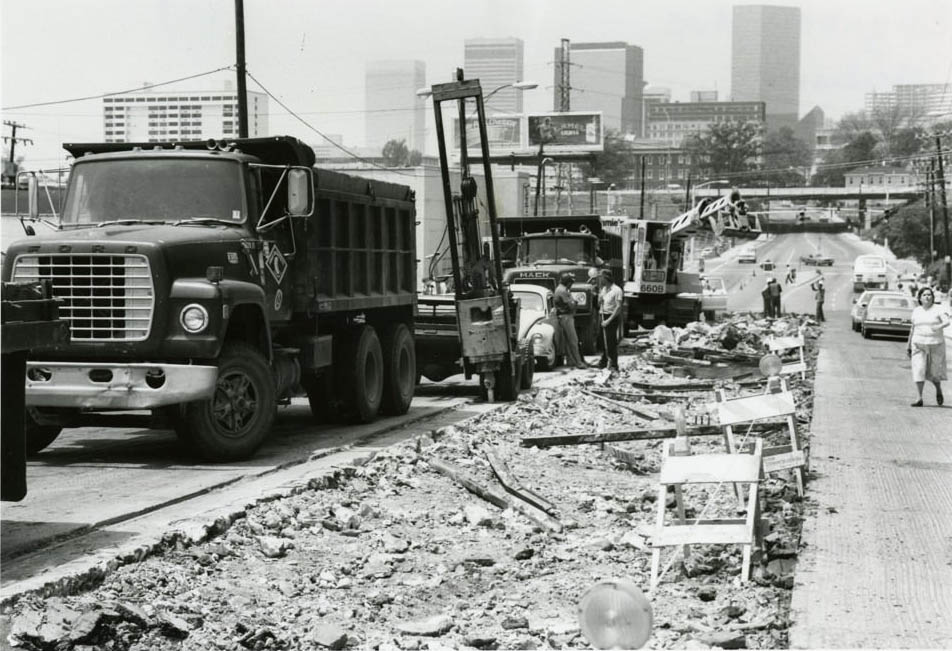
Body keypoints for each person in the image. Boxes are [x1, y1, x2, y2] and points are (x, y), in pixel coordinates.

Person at [906, 286, 950, 406]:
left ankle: (938, 389)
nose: (927, 297)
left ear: (933, 297)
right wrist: (908, 344)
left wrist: (938, 327)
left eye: (929, 294)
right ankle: (919, 398)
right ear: (920, 298)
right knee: (919, 369)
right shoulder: (917, 311)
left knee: (934, 373)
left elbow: (947, 321)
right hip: (918, 344)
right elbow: (912, 328)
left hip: (935, 344)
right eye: (924, 295)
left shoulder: (938, 309)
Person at [553, 272, 587, 369]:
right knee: (573, 340)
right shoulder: (563, 290)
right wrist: (575, 303)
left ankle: (570, 361)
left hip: (563, 317)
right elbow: (571, 305)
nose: (571, 284)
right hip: (566, 317)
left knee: (568, 341)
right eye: (571, 282)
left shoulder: (559, 289)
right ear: (568, 282)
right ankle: (579, 363)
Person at [597, 269, 623, 371]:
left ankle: (614, 364)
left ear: (606, 278)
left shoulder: (617, 290)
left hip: (611, 317)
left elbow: (618, 307)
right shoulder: (603, 289)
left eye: (601, 278)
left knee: (610, 342)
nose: (600, 280)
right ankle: (604, 361)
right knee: (602, 341)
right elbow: (599, 304)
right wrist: (599, 300)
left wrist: (608, 321)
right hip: (602, 315)